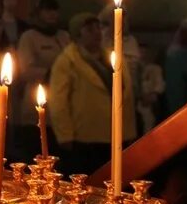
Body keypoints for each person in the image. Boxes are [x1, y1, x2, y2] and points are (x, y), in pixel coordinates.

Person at [48, 13, 135, 176]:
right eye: (89, 29)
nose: (97, 33)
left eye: (98, 28)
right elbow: (58, 101)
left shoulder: (112, 57)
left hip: (116, 134)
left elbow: (124, 89)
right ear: (78, 35)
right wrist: (65, 134)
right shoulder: (67, 61)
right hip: (86, 136)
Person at [15, 0, 69, 159]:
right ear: (38, 13)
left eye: (54, 10)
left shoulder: (64, 36)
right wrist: (52, 73)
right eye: (47, 10)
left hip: (62, 108)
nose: (52, 14)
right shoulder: (29, 37)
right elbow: (25, 70)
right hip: (36, 107)